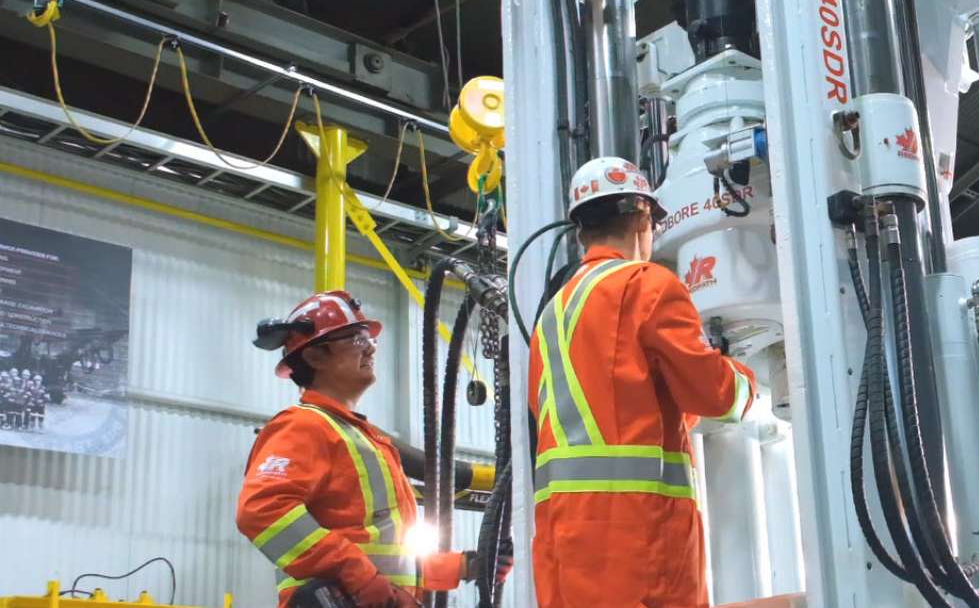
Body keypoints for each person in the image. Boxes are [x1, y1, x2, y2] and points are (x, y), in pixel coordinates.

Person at [529, 156, 760, 607]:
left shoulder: (552, 316)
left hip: (564, 546)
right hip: (637, 541)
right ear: (641, 215)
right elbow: (716, 396)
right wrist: (743, 378)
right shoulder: (648, 285)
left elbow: (598, 410)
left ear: (581, 233)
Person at [235, 291, 479, 608]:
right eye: (356, 338)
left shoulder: (365, 439)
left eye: (369, 339)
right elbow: (261, 511)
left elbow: (388, 563)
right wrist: (358, 575)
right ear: (314, 356)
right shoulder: (303, 425)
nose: (371, 346)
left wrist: (465, 566)